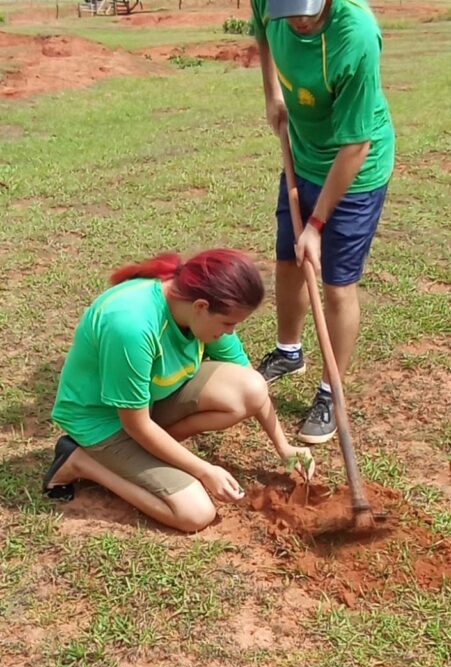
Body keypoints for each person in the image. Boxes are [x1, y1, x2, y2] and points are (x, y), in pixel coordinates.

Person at [43, 248, 314, 533]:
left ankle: (146, 456)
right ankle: (81, 463)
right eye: (228, 323)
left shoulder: (195, 306)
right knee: (194, 514)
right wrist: (204, 470)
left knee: (250, 388)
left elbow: (249, 381)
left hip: (148, 403)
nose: (231, 332)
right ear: (200, 306)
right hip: (103, 422)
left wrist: (285, 448)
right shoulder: (131, 326)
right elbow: (136, 425)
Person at [252, 0, 395, 442]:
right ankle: (288, 351)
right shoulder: (270, 4)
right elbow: (262, 33)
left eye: (308, 13)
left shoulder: (356, 37)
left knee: (336, 284)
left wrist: (315, 225)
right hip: (302, 156)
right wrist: (273, 94)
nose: (298, 20)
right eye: (289, 11)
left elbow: (357, 145)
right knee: (287, 262)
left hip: (354, 174)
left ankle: (331, 390)